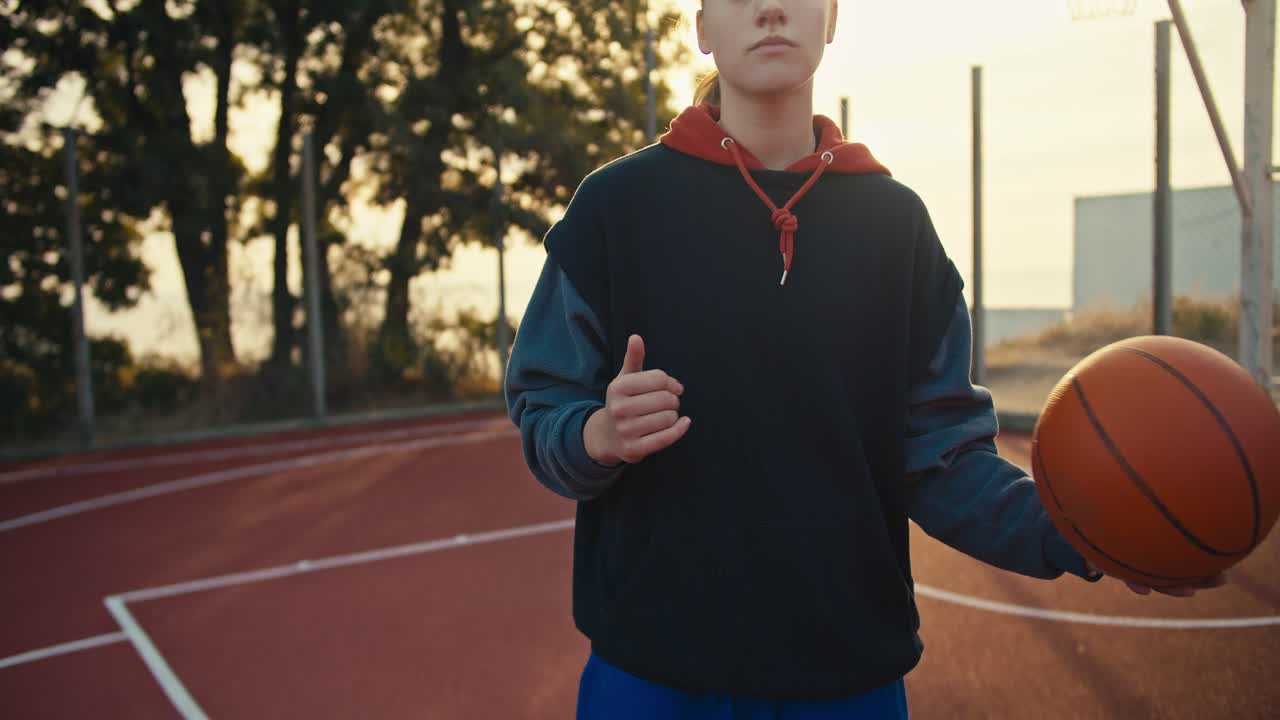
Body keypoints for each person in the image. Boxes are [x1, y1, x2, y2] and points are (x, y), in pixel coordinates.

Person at [505, 1, 1224, 717]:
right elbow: (544, 406)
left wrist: (1096, 532)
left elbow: (941, 459)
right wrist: (596, 435)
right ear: (699, 28)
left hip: (845, 672)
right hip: (653, 670)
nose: (771, 8)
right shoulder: (614, 208)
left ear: (832, 19)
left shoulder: (896, 225)